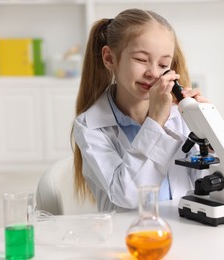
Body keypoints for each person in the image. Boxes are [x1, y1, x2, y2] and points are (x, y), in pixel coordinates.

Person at [72, 8, 208, 212]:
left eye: (163, 64)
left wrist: (210, 132)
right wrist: (155, 122)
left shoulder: (180, 116)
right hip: (128, 237)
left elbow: (208, 185)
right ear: (109, 58)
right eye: (141, 60)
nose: (153, 73)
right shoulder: (90, 125)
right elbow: (128, 195)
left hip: (184, 230)